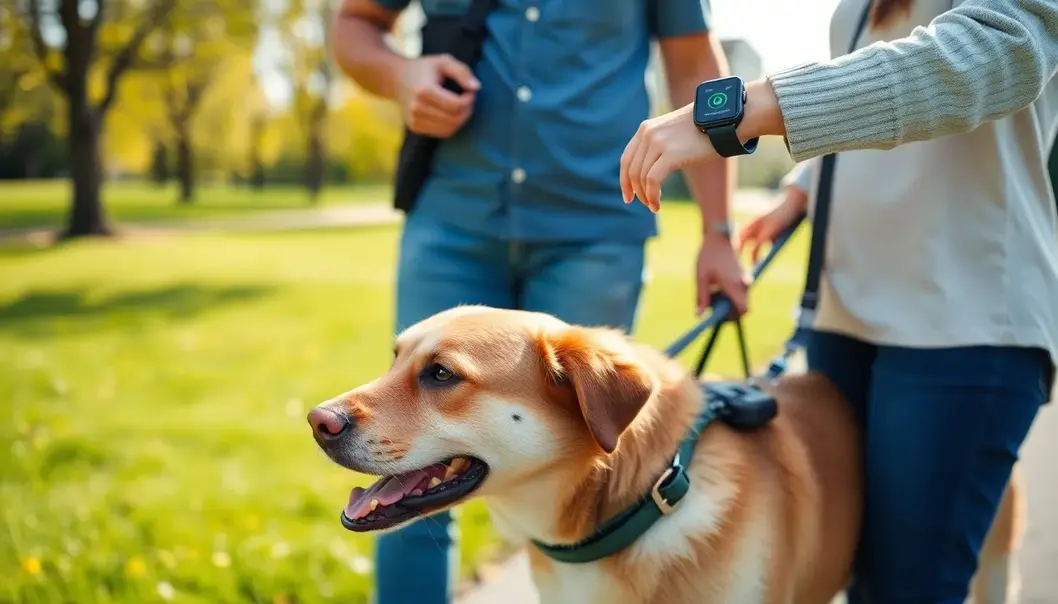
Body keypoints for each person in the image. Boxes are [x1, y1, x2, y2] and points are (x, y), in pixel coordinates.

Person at [620, 0, 1057, 602]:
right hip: (845, 310)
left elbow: (986, 58)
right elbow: (875, 98)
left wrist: (733, 112)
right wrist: (804, 189)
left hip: (963, 322)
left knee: (907, 588)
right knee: (853, 572)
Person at [330, 0, 736, 601]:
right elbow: (354, 23)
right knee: (407, 462)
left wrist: (718, 230)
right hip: (453, 218)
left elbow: (693, 60)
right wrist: (403, 75)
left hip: (597, 225)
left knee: (590, 477)